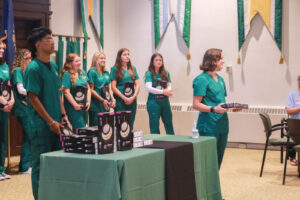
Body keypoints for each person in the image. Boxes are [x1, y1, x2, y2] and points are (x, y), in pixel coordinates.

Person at [24, 27, 70, 200]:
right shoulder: (33, 68)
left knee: (56, 164)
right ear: (37, 44)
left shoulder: (53, 65)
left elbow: (57, 93)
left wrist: (64, 116)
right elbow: (33, 98)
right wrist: (50, 122)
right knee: (40, 166)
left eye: (53, 39)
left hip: (57, 125)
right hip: (42, 126)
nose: (53, 43)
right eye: (48, 39)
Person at [192, 48, 228, 169]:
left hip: (222, 125)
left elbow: (220, 102)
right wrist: (213, 109)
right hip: (209, 126)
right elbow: (196, 104)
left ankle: (213, 187)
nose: (223, 61)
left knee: (218, 161)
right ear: (213, 61)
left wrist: (231, 107)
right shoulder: (201, 80)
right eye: (221, 59)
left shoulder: (221, 79)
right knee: (207, 162)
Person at [11, 48, 32, 174]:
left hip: (27, 107)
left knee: (29, 135)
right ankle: (24, 166)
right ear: (21, 59)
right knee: (29, 135)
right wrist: (33, 91)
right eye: (27, 58)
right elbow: (20, 89)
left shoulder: (27, 71)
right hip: (22, 107)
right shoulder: (18, 71)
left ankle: (27, 163)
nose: (29, 60)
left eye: (30, 58)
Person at [145, 53, 174, 134]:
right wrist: (163, 92)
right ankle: (156, 144)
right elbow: (149, 88)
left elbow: (169, 85)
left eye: (160, 60)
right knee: (154, 126)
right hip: (154, 103)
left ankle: (172, 143)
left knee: (169, 124)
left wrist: (168, 92)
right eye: (156, 60)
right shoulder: (149, 73)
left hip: (165, 102)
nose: (158, 62)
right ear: (152, 62)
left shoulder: (166, 73)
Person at [110, 48, 140, 129]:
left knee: (130, 123)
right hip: (120, 100)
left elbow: (137, 84)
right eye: (124, 55)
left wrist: (133, 97)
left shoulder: (133, 68)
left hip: (132, 100)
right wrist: (124, 97)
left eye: (128, 54)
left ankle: (129, 141)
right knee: (121, 124)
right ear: (120, 57)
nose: (127, 56)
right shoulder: (114, 69)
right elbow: (113, 87)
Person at [61, 53, 91, 131]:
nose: (79, 63)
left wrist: (88, 102)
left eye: (80, 60)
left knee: (85, 130)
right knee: (79, 130)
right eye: (76, 61)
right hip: (73, 108)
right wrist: (75, 105)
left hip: (84, 107)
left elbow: (88, 89)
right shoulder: (67, 74)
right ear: (70, 63)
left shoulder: (82, 72)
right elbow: (66, 92)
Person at [0, 40, 15, 181]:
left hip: (5, 106)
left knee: (3, 138)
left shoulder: (5, 66)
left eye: (3, 48)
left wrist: (12, 100)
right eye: (0, 48)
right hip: (1, 103)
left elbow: (9, 85)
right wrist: (2, 100)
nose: (2, 50)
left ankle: (1, 169)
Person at [87, 52, 115, 126]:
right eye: (101, 58)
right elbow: (91, 89)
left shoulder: (106, 72)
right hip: (96, 104)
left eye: (104, 58)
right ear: (96, 60)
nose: (104, 60)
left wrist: (112, 99)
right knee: (96, 127)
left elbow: (109, 88)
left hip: (106, 104)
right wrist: (102, 100)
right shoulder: (92, 72)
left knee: (105, 126)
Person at [284, 75, 300, 166]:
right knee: (292, 130)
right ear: (298, 83)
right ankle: (292, 157)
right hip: (294, 124)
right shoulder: (292, 95)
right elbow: (288, 110)